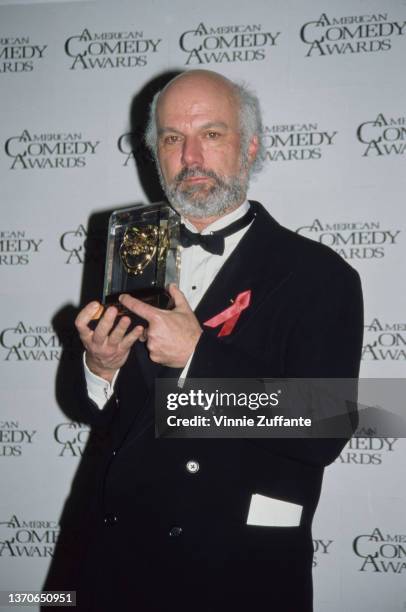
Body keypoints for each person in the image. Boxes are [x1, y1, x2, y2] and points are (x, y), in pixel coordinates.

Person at [59, 70, 363, 611]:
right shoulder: (132, 251)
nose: (191, 156)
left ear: (249, 146)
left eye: (212, 134)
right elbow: (112, 420)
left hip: (237, 573)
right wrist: (99, 369)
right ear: (156, 154)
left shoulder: (319, 275)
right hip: (111, 564)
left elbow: (326, 428)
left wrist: (198, 358)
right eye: (173, 138)